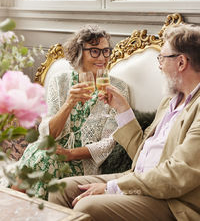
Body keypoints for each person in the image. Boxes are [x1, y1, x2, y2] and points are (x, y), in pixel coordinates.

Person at [49, 23, 200, 221]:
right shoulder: (170, 101)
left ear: (181, 63)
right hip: (139, 177)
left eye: (162, 57)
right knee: (60, 190)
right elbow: (141, 153)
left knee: (87, 205)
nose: (159, 64)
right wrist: (123, 109)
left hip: (172, 200)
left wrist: (112, 187)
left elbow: (177, 174)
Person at [11, 25, 129, 200]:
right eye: (95, 52)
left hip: (84, 160)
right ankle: (16, 207)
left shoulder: (118, 88)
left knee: (45, 158)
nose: (103, 58)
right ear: (80, 53)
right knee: (40, 150)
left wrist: (70, 154)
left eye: (106, 51)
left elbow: (110, 142)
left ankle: (12, 205)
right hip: (52, 149)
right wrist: (69, 103)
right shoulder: (60, 81)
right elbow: (49, 133)